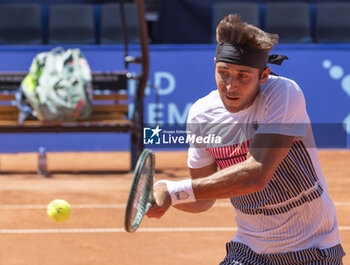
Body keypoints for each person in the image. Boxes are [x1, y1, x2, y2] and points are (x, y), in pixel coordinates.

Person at [146, 14, 345, 265]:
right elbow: (203, 197)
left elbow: (256, 174)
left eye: (243, 76)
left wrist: (172, 191)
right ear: (214, 66)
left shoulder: (283, 93)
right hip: (249, 251)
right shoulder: (201, 114)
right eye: (223, 73)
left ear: (263, 76)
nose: (230, 86)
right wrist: (160, 199)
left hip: (314, 249)